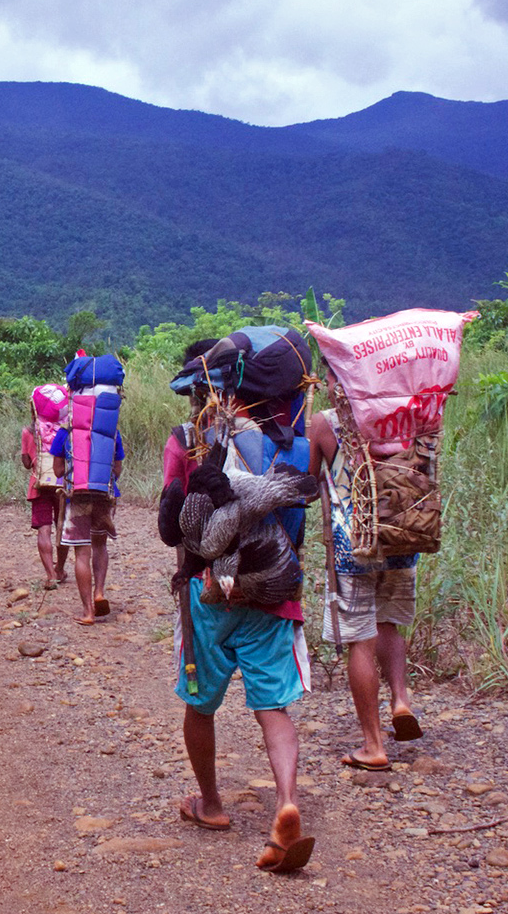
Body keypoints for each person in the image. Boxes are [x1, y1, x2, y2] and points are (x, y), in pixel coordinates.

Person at [161, 370, 316, 875]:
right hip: (271, 595)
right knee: (273, 707)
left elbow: (173, 519)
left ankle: (210, 802)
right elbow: (300, 524)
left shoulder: (191, 440)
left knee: (200, 705)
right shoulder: (299, 445)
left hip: (208, 597)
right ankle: (286, 801)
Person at [308, 363, 423, 772]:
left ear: (337, 381)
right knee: (389, 625)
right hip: (402, 536)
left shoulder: (325, 423)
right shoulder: (400, 417)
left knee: (360, 639)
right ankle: (401, 700)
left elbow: (306, 484)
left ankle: (373, 744)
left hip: (352, 545)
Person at [50, 422, 122, 625]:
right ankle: (99, 592)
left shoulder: (65, 432)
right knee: (100, 545)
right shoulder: (110, 430)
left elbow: (57, 471)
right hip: (104, 496)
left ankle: (88, 611)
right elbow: (117, 469)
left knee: (82, 552)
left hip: (77, 497)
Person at [22, 407, 69, 588]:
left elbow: (27, 463)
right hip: (61, 483)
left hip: (39, 485)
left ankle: (50, 575)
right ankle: (60, 569)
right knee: (61, 528)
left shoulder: (29, 431)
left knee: (44, 529)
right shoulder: (65, 429)